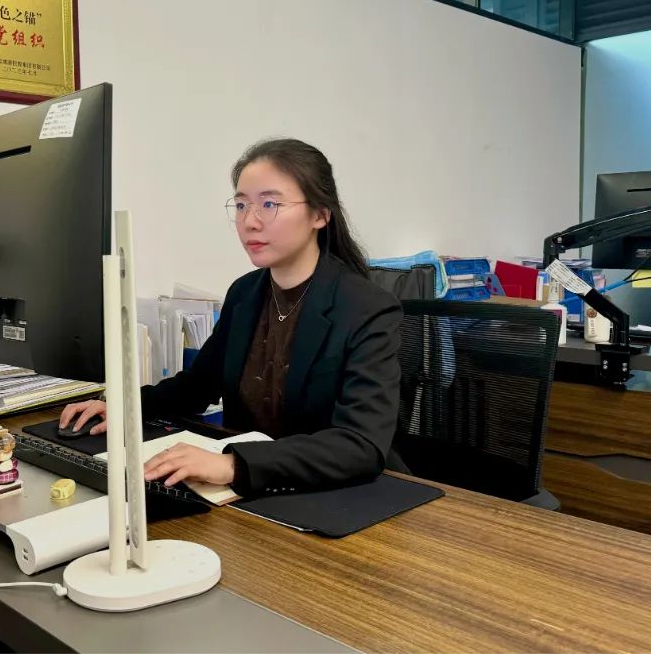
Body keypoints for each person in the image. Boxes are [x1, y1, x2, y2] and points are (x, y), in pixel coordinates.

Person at [59, 138, 402, 496]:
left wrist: (233, 465)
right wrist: (123, 408)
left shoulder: (367, 308)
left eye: (269, 204)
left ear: (320, 214)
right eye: (241, 205)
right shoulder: (245, 294)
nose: (249, 222)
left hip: (337, 497)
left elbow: (360, 444)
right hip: (249, 497)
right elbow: (196, 387)